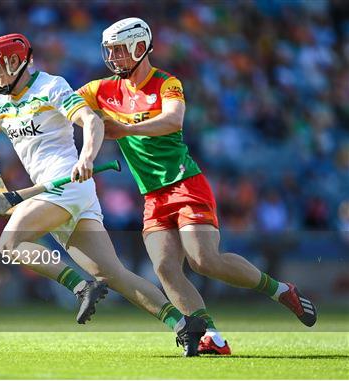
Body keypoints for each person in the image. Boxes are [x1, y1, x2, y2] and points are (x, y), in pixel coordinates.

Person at [0, 33, 208, 356]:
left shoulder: (51, 87)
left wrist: (87, 157)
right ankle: (183, 325)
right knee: (113, 274)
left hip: (68, 184)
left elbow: (90, 121)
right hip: (58, 193)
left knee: (10, 243)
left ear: (15, 62)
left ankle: (80, 287)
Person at [77, 18, 318, 355]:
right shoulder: (101, 89)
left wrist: (124, 128)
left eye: (119, 49)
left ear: (139, 46)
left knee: (204, 260)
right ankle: (211, 336)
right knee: (165, 268)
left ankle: (280, 290)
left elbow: (174, 120)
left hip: (185, 185)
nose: (113, 57)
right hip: (152, 196)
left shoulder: (166, 83)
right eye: (110, 50)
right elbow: (65, 105)